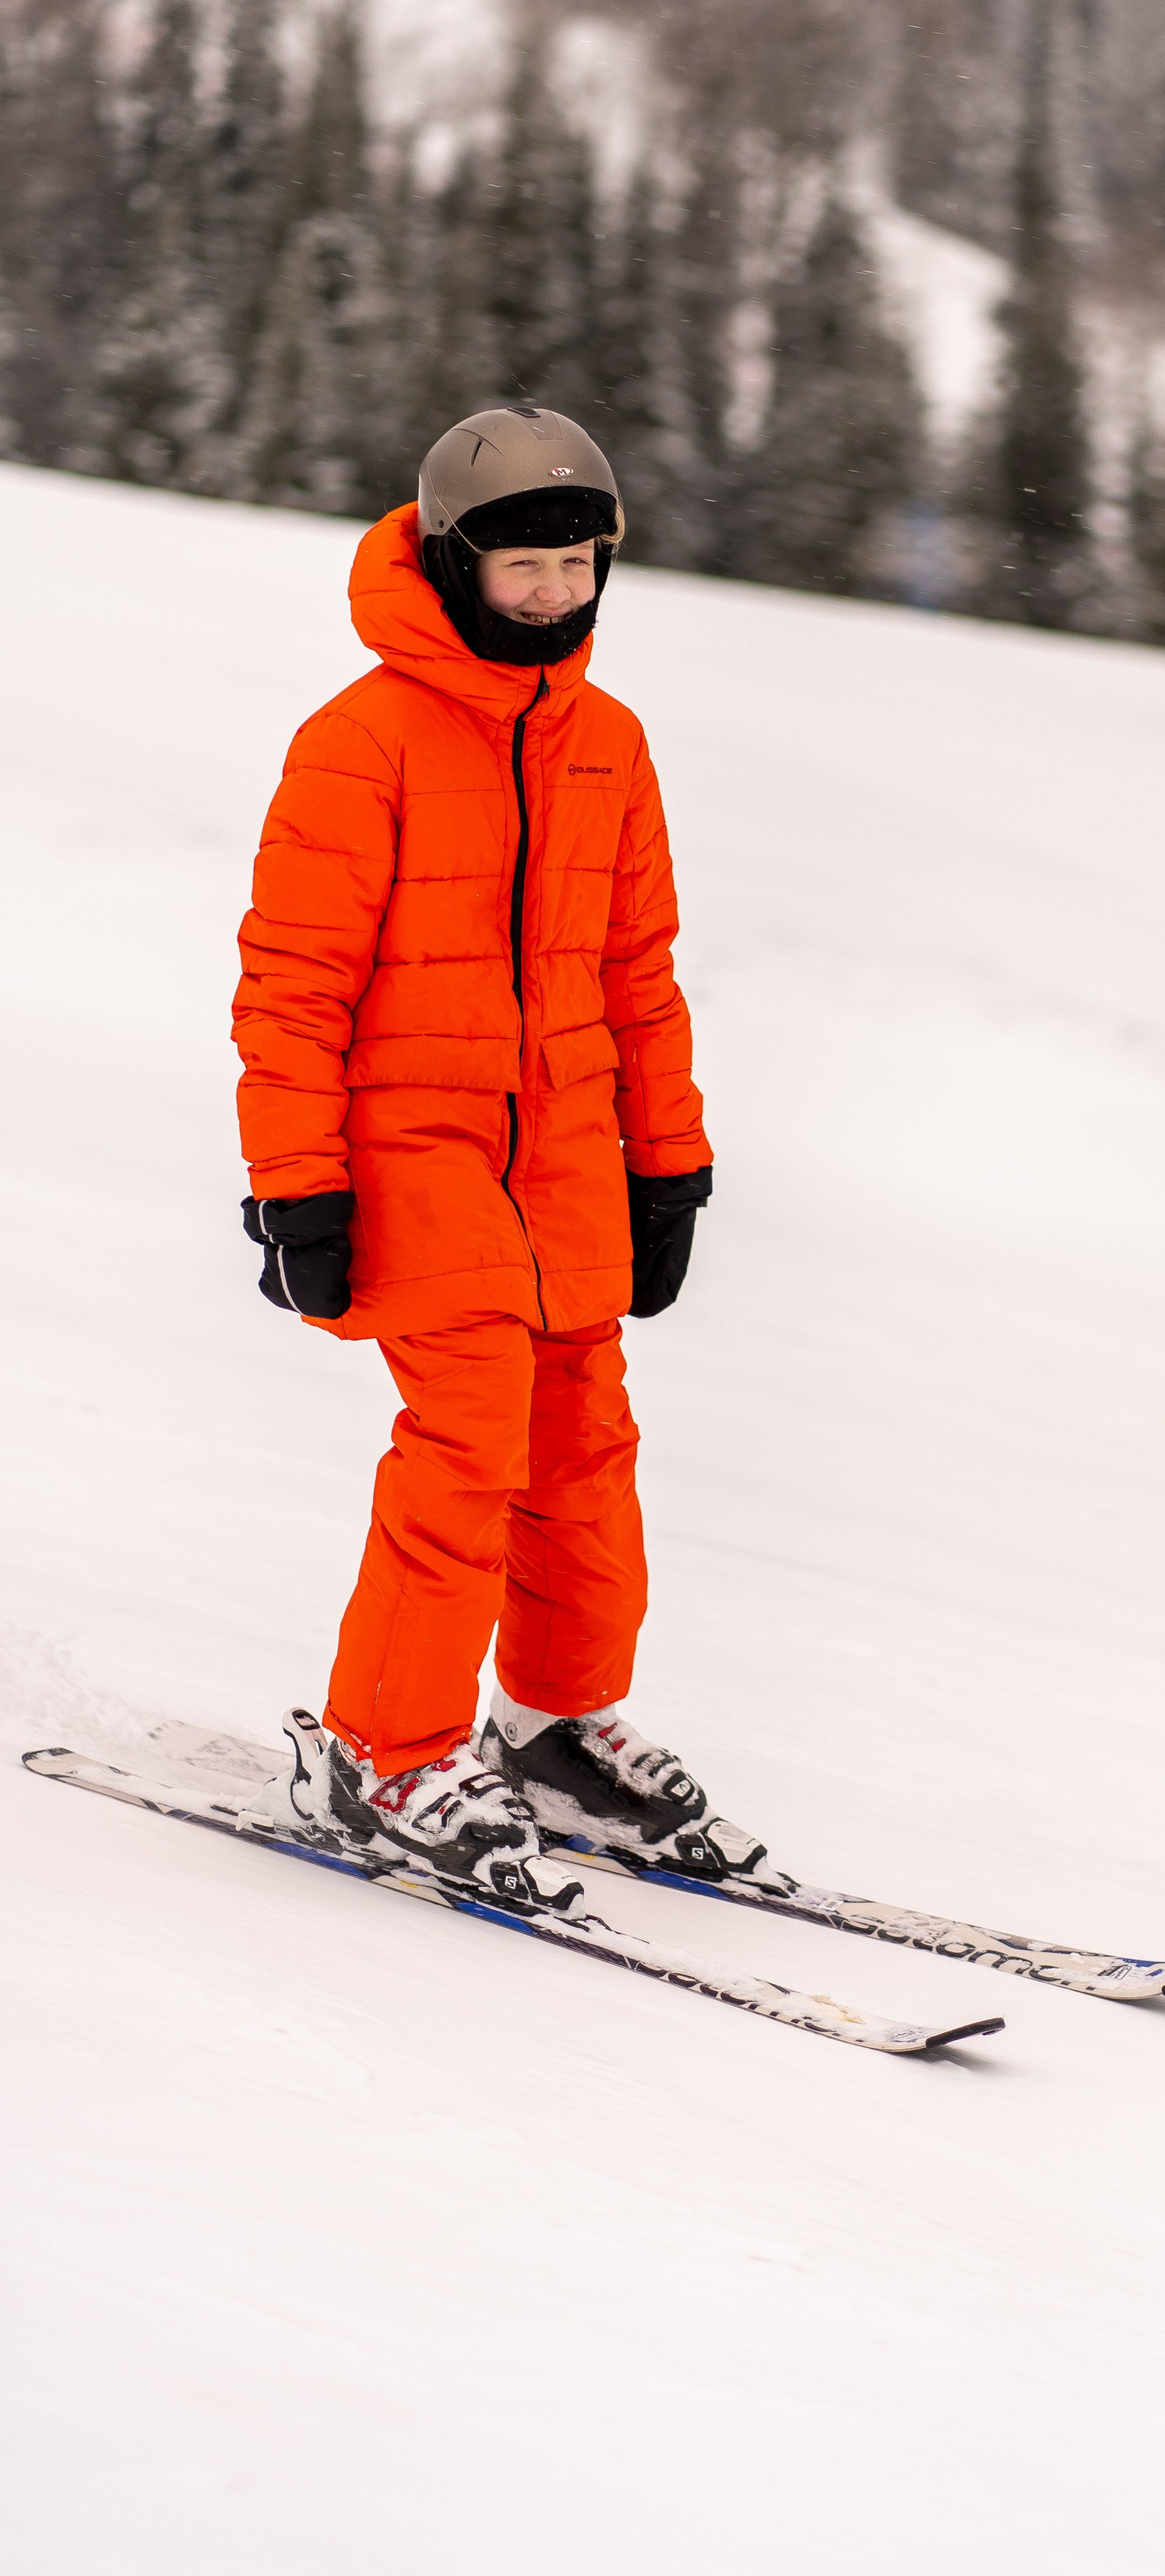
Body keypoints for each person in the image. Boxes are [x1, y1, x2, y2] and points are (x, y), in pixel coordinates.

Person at [234, 403, 780, 1909]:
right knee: (469, 1433)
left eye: (578, 565)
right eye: (524, 566)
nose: (552, 593)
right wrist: (296, 1181)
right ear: (452, 561)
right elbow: (292, 986)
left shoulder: (610, 744)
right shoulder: (362, 742)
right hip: (411, 1143)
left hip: (567, 1154)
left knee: (582, 1443)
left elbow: (639, 973)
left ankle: (553, 1732)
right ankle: (384, 1749)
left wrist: (668, 1163)